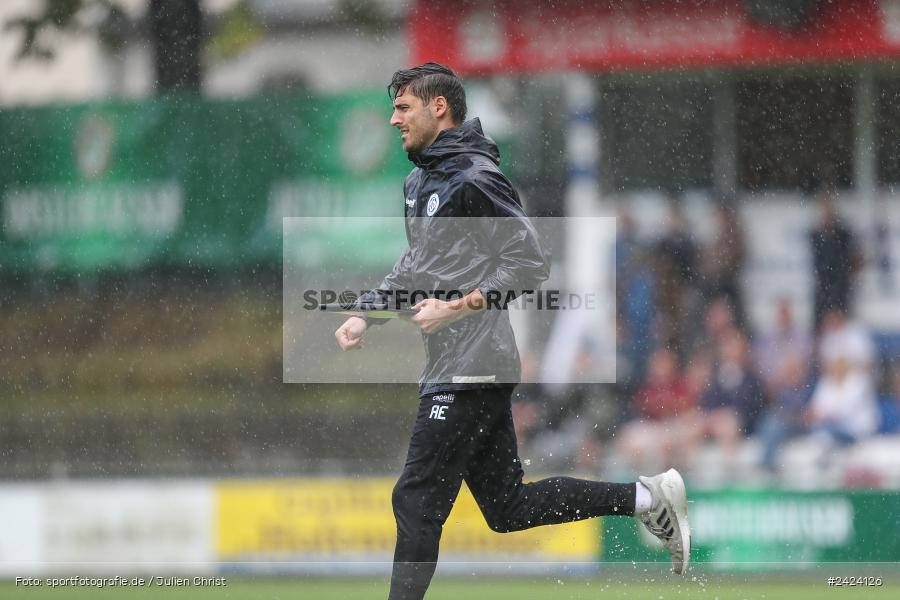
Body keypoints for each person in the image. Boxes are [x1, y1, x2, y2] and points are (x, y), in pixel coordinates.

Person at [333, 63, 690, 599]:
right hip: (457, 363)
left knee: (416, 497)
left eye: (403, 108)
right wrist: (367, 311)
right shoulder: (419, 181)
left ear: (438, 108)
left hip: (474, 362)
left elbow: (530, 261)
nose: (393, 120)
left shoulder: (476, 177)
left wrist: (456, 308)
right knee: (507, 507)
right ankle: (646, 498)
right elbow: (416, 266)